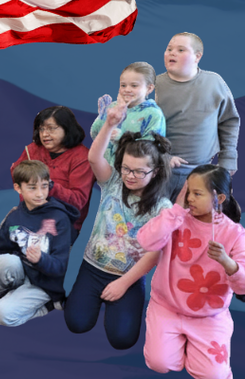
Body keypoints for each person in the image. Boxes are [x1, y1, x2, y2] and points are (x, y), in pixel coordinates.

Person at [138, 166, 245, 379]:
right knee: (159, 363)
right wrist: (176, 209)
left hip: (209, 317)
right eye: (189, 192)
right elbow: (145, 240)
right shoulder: (176, 219)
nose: (190, 199)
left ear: (219, 197)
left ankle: (199, 353)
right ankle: (180, 346)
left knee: (215, 375)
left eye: (197, 193)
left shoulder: (235, 233)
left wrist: (226, 262)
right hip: (167, 307)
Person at [64, 128, 172, 349]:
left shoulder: (162, 208)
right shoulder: (112, 182)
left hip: (128, 276)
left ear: (156, 171)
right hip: (92, 268)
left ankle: (120, 302)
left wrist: (123, 284)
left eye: (139, 172)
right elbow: (94, 157)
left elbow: (155, 254)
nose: (131, 176)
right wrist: (109, 123)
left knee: (122, 340)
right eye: (126, 169)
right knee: (77, 324)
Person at [0, 160, 73, 327]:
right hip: (19, 274)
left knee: (0, 314)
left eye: (44, 186)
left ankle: (47, 305)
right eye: (32, 187)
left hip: (44, 283)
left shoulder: (59, 219)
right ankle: (0, 292)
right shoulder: (14, 217)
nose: (40, 193)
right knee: (5, 261)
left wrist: (41, 260)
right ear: (18, 188)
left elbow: (60, 267)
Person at [155, 33, 239, 198]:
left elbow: (229, 121)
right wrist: (161, 157)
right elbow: (141, 128)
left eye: (181, 50)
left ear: (197, 56)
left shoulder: (214, 82)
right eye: (169, 49)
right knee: (160, 221)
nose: (172, 53)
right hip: (160, 172)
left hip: (201, 173)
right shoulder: (153, 85)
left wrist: (228, 159)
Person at [10, 106, 93, 240]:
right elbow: (18, 178)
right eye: (42, 129)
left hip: (63, 223)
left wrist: (49, 186)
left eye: (51, 128)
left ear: (67, 128)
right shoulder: (32, 150)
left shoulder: (82, 157)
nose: (44, 134)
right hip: (29, 216)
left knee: (42, 259)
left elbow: (78, 202)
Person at [91, 62, 166, 165]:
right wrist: (102, 117)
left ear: (149, 88)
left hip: (134, 172)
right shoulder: (113, 107)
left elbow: (151, 150)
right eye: (123, 85)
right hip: (107, 170)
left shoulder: (153, 114)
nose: (127, 90)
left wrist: (122, 138)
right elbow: (95, 135)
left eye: (134, 86)